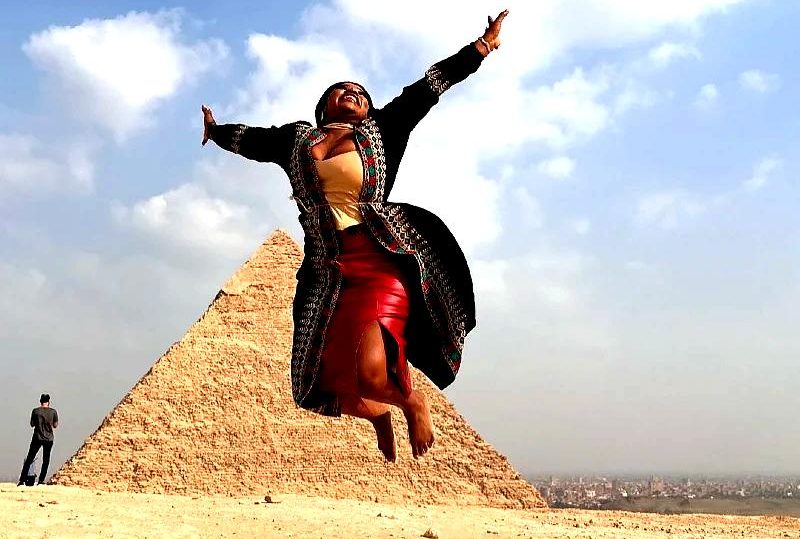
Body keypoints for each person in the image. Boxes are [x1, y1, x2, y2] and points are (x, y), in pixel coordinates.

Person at [203, 10, 508, 461]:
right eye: (342, 91)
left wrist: (482, 47)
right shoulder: (297, 141)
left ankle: (411, 402)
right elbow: (254, 140)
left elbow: (429, 87)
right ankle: (380, 416)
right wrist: (215, 131)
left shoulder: (382, 130)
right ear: (324, 106)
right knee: (318, 384)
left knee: (371, 371)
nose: (353, 94)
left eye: (361, 93)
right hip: (325, 271)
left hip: (380, 258)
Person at [18, 393, 59, 486]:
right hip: (49, 439)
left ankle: (22, 480)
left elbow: (32, 424)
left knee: (29, 458)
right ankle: (41, 480)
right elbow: (55, 425)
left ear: (40, 401)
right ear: (49, 402)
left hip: (37, 437)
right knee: (46, 460)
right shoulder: (53, 412)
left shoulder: (35, 411)